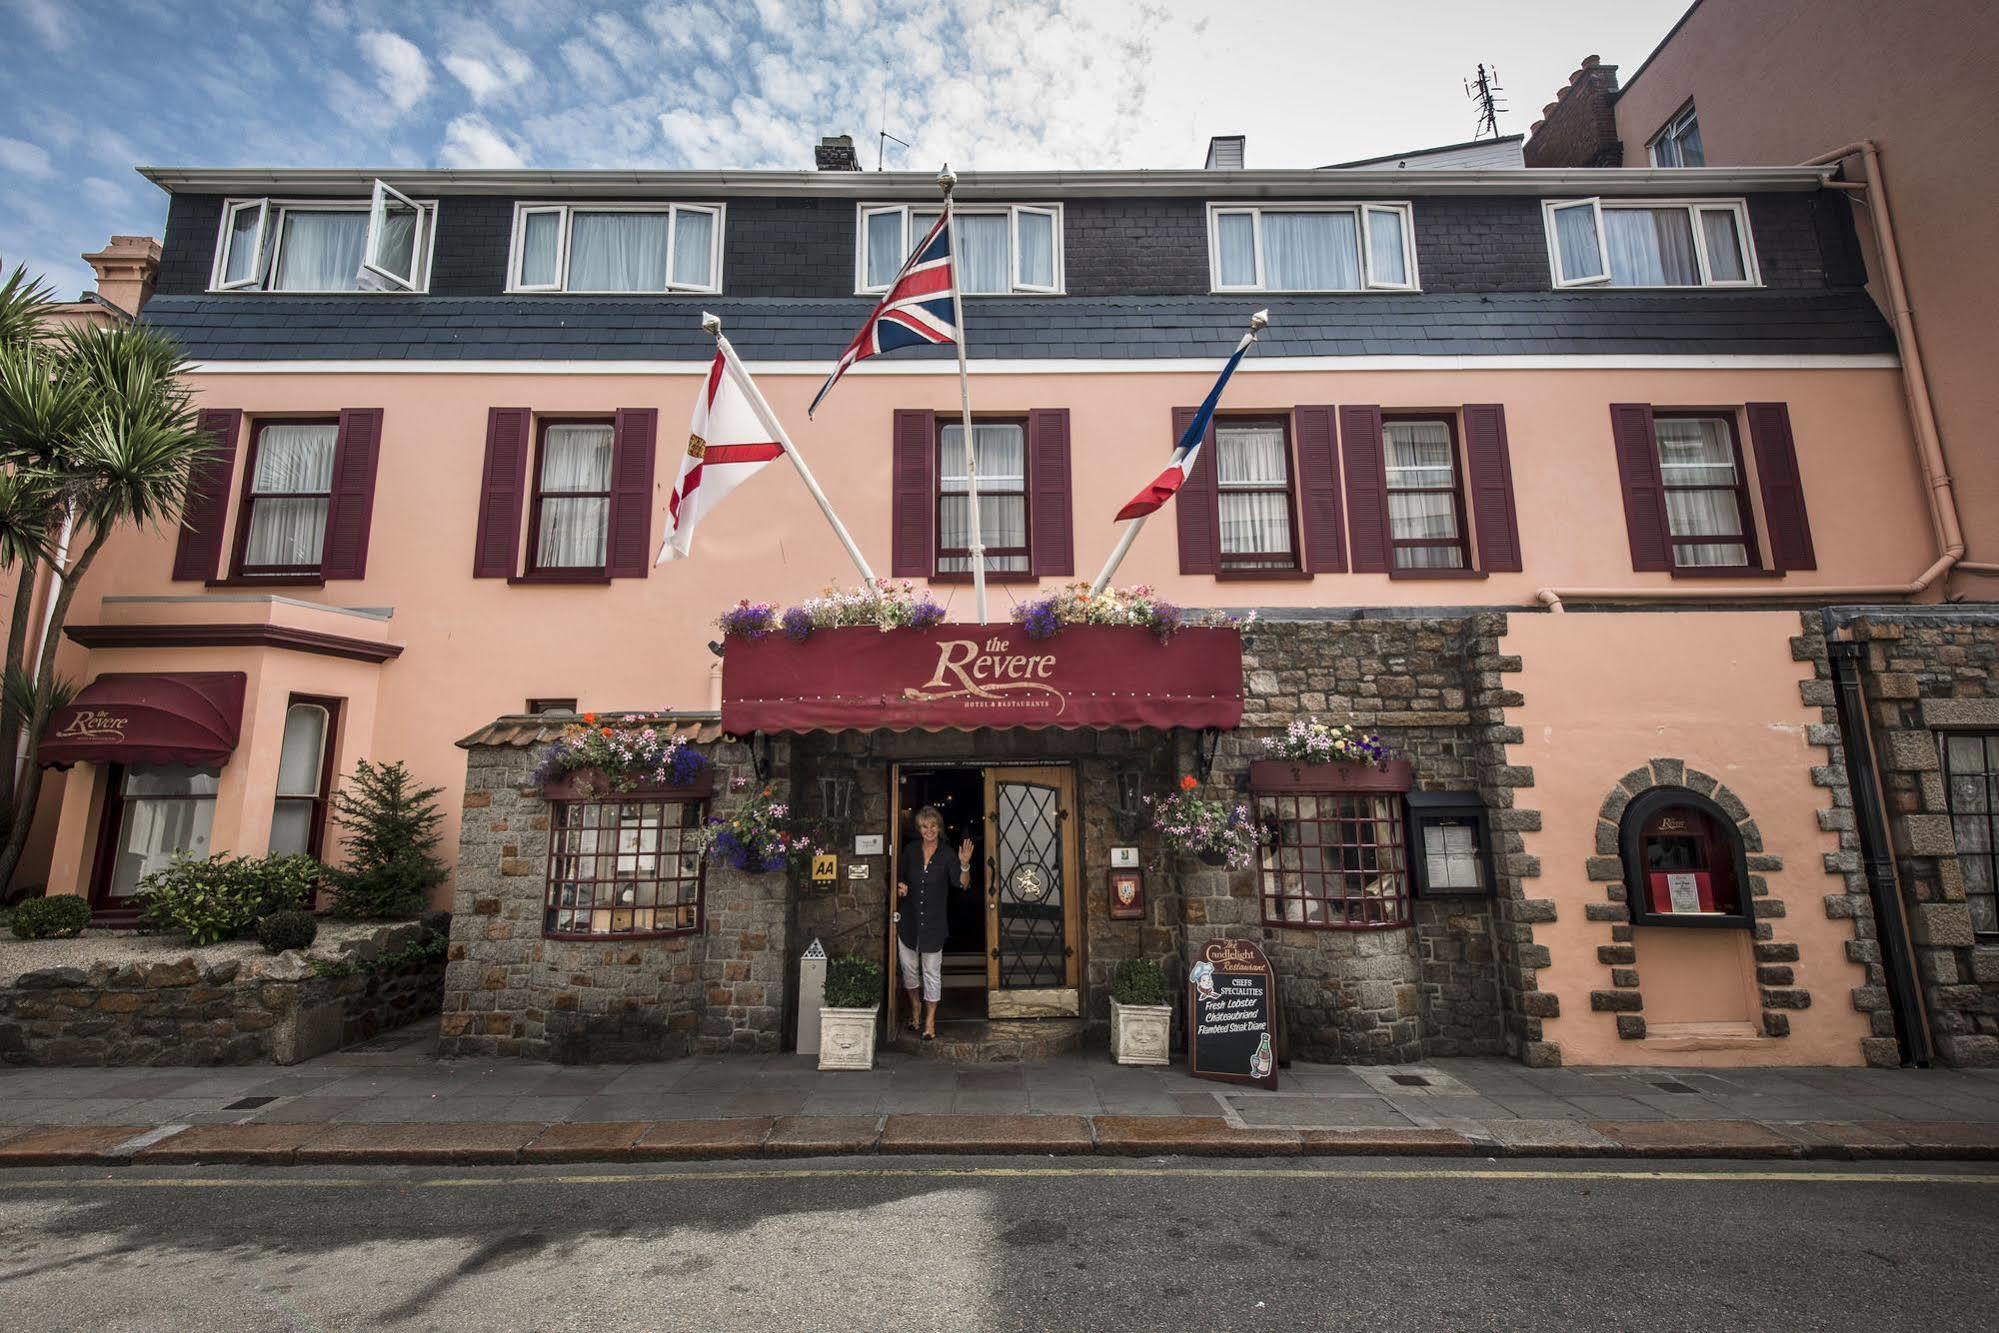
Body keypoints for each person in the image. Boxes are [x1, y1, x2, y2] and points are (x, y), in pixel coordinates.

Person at [897, 805, 974, 1041]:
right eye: (924, 826)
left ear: (939, 828)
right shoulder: (910, 851)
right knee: (909, 971)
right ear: (919, 829)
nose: (929, 830)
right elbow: (899, 877)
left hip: (934, 924)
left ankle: (930, 1021)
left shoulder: (948, 854)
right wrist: (901, 887)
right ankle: (915, 1009)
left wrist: (964, 865)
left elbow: (962, 885)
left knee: (931, 973)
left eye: (933, 826)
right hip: (908, 922)